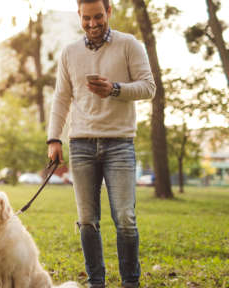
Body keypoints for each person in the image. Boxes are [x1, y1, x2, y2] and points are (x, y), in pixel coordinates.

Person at [46, 0, 155, 287]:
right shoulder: (70, 52)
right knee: (87, 220)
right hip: (80, 144)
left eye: (98, 17)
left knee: (125, 218)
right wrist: (54, 138)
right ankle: (97, 282)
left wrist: (114, 89)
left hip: (119, 143)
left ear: (109, 12)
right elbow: (61, 97)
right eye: (86, 18)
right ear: (79, 16)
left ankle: (130, 282)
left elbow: (148, 86)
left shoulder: (129, 44)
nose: (92, 24)